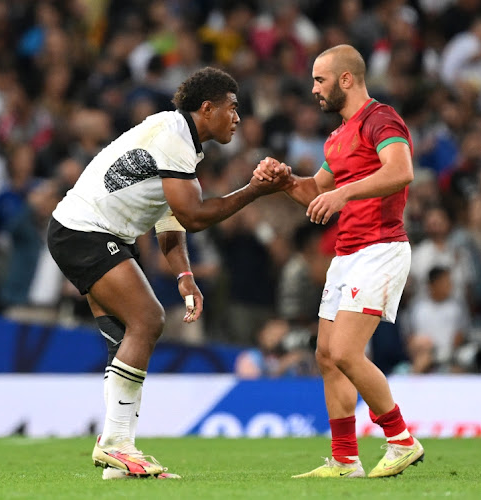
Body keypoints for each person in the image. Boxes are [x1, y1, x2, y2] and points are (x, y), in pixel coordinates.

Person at [47, 67, 290, 480]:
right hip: (85, 231)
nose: (237, 118)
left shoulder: (177, 138)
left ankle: (118, 462)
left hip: (86, 231)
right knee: (149, 318)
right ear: (206, 107)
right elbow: (194, 215)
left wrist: (184, 276)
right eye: (232, 108)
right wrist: (254, 191)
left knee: (125, 339)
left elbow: (170, 218)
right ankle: (116, 445)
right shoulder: (175, 138)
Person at [254, 44, 424, 479]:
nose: (313, 89)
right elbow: (316, 193)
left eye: (319, 79)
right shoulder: (338, 136)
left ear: (346, 79)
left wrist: (343, 193)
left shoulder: (380, 119)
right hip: (347, 253)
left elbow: (401, 170)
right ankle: (346, 459)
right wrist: (286, 180)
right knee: (327, 355)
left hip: (380, 247)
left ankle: (401, 439)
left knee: (347, 352)